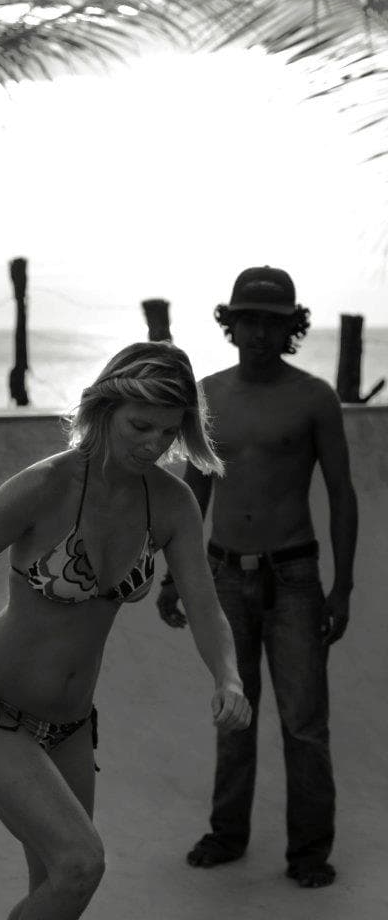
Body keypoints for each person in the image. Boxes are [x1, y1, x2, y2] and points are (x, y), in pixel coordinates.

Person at [0, 341, 252, 920]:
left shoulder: (172, 503)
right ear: (104, 409)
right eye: (140, 426)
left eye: (169, 433)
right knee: (82, 863)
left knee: (58, 886)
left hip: (71, 727)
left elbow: (204, 606)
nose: (153, 445)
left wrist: (229, 678)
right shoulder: (43, 486)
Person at [157, 266, 358, 889]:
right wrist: (173, 577)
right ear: (231, 323)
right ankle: (227, 834)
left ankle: (309, 852)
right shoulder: (209, 394)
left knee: (304, 723)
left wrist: (341, 587)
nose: (260, 333)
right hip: (222, 573)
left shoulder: (314, 397)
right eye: (249, 320)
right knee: (233, 711)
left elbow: (342, 495)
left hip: (293, 576)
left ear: (291, 327)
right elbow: (191, 491)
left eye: (273, 322)